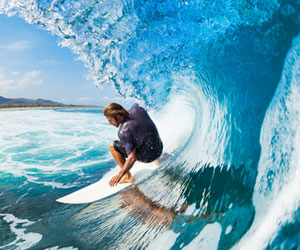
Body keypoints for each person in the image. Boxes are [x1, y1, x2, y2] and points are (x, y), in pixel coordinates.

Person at [104, 103, 163, 186]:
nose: (109, 123)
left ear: (118, 116)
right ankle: (159, 159)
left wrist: (119, 175)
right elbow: (137, 104)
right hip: (159, 148)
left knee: (112, 145)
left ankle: (128, 176)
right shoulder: (138, 109)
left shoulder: (123, 131)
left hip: (148, 157)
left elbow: (132, 158)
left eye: (110, 120)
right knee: (142, 135)